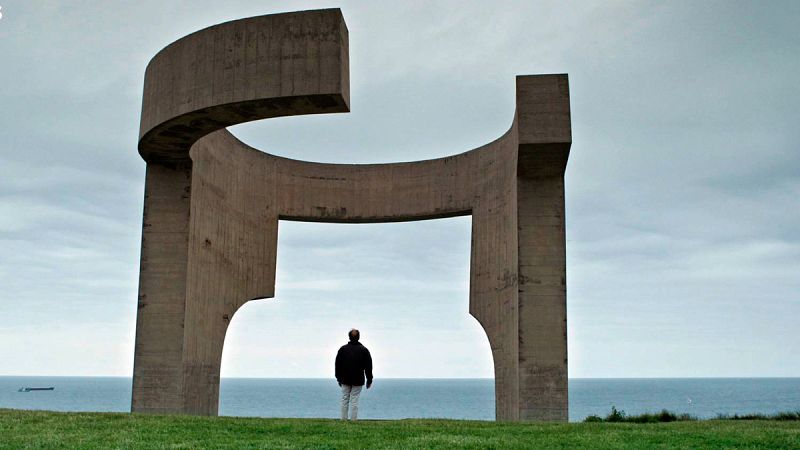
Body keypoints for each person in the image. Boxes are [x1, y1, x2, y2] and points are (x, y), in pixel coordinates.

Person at [335, 328, 373, 420]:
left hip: (345, 378)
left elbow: (337, 365)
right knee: (354, 400)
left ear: (349, 337)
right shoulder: (364, 350)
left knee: (344, 398)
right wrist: (369, 380)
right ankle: (353, 419)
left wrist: (338, 378)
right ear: (359, 337)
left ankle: (343, 419)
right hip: (358, 379)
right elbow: (368, 366)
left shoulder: (343, 349)